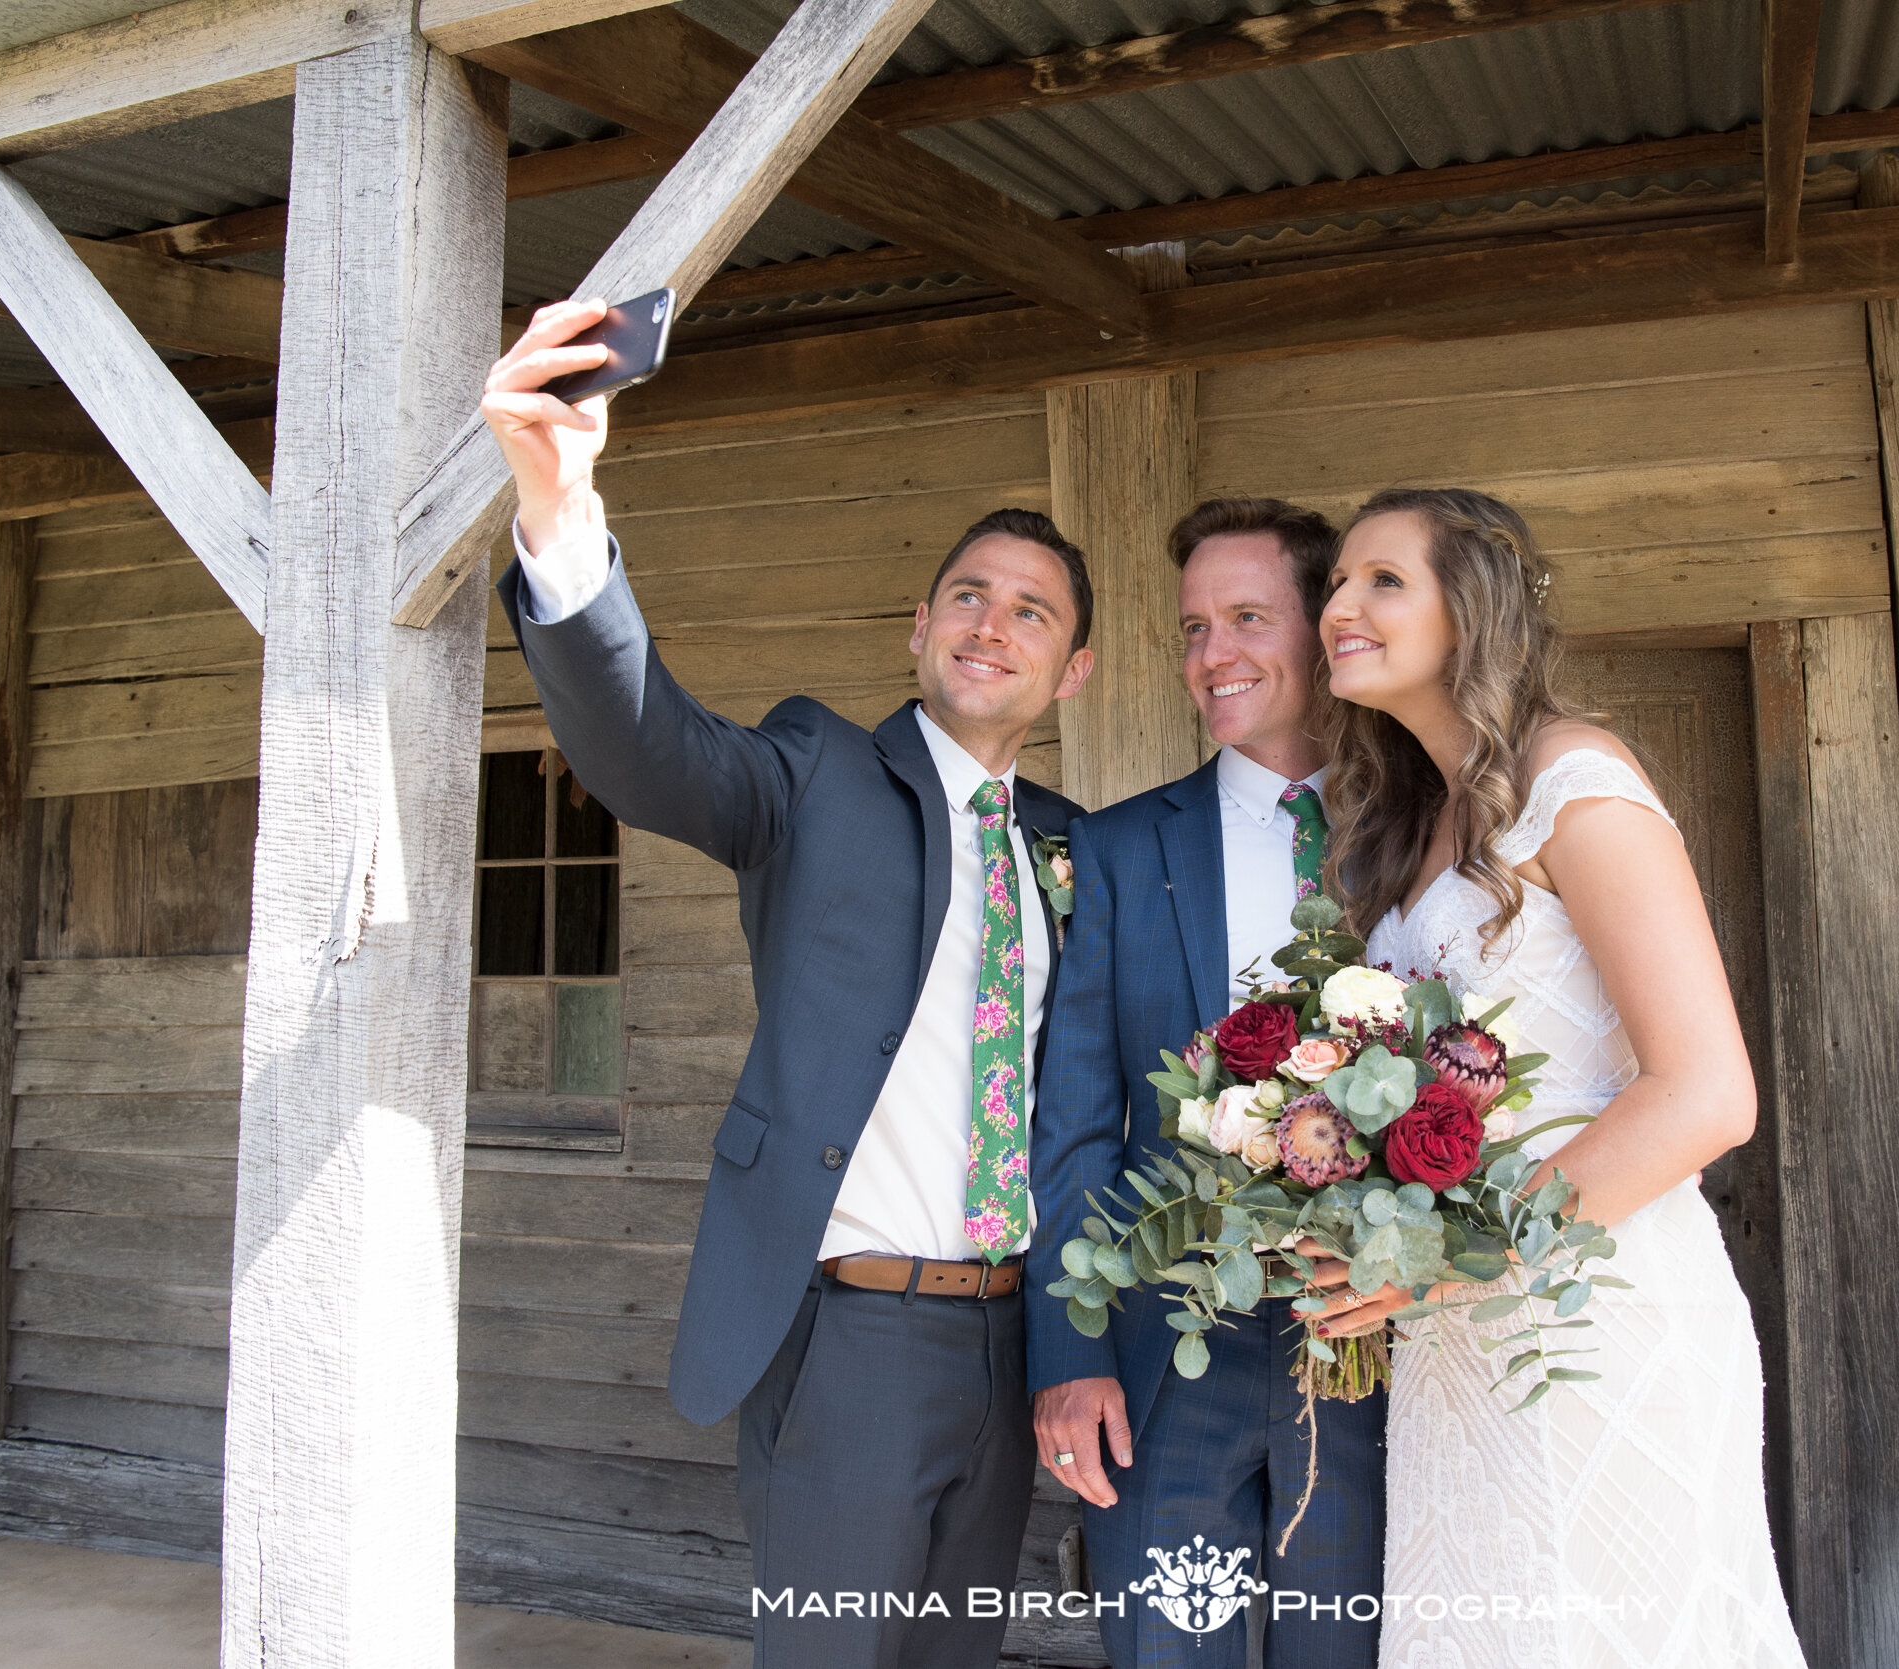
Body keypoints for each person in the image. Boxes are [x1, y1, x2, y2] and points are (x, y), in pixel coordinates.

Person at [479, 299, 1093, 1669]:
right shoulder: (816, 775)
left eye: (1032, 612)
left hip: (1018, 1343)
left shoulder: (1070, 846)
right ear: (917, 626)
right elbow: (649, 747)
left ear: (1073, 668)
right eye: (970, 598)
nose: (994, 626)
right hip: (854, 1343)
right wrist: (561, 508)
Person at [1301, 488, 1807, 1667]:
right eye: (1334, 583)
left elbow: (1706, 1093)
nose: (1339, 607)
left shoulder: (1572, 773)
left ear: (1470, 607)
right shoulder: (1405, 826)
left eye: (1383, 580)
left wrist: (1450, 1257)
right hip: (1453, 1347)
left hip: (1597, 1315)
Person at [1026, 497, 1387, 1667]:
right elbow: (1075, 1118)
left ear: (1324, 628)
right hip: (1165, 1346)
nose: (1211, 655)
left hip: (1375, 1347)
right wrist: (1072, 1352)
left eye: (1244, 617)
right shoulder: (1124, 850)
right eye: (1191, 628)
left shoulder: (1416, 831)